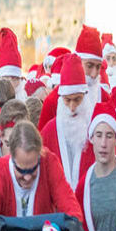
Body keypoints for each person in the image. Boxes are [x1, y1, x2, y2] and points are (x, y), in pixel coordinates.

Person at [0, 121, 83, 231]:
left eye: (32, 169)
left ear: (39, 154)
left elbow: (74, 215)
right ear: (11, 157)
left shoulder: (49, 163)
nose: (27, 177)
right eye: (22, 170)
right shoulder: (0, 172)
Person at [40, 53, 95, 186]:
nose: (72, 107)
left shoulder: (96, 129)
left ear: (85, 96)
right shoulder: (49, 131)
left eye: (77, 100)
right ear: (60, 98)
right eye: (67, 100)